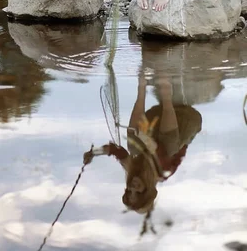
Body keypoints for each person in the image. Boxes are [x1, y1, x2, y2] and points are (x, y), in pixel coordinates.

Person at [84, 73, 202, 216]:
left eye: (129, 191)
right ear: (148, 191)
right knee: (169, 147)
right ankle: (166, 88)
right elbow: (158, 149)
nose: (132, 188)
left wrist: (94, 152)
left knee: (132, 146)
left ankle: (142, 87)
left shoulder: (133, 169)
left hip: (157, 119)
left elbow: (117, 151)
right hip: (186, 122)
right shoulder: (163, 172)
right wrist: (142, 136)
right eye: (137, 192)